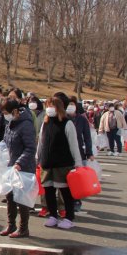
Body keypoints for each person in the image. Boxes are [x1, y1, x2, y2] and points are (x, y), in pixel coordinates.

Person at [37, 97, 83, 230]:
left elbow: (74, 144)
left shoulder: (67, 123)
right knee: (49, 190)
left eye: (52, 105)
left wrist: (78, 163)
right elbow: (41, 142)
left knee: (65, 191)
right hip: (46, 163)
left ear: (59, 107)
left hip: (63, 164)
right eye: (47, 105)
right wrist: (37, 159)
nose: (49, 108)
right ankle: (52, 215)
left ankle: (69, 217)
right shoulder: (45, 122)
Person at [0, 98, 36, 238]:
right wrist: (0, 149)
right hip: (11, 166)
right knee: (10, 196)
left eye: (5, 112)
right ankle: (11, 224)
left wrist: (19, 163)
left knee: (22, 199)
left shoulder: (26, 125)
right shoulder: (11, 123)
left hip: (23, 167)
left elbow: (30, 148)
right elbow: (7, 140)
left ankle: (23, 228)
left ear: (14, 111)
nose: (4, 115)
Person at [67, 96, 94, 213]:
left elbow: (87, 137)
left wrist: (89, 152)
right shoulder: (63, 118)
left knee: (77, 179)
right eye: (68, 104)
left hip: (79, 153)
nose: (70, 106)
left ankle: (76, 201)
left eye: (72, 104)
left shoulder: (81, 119)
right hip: (65, 153)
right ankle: (66, 203)